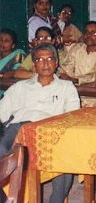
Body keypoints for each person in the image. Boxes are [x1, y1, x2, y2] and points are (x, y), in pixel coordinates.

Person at [0, 43, 80, 203]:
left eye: (50, 59)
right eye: (40, 59)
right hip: (19, 130)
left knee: (65, 154)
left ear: (56, 63)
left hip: (50, 132)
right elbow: (2, 114)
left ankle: (56, 200)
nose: (45, 63)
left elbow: (72, 117)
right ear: (34, 64)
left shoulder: (66, 87)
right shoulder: (20, 87)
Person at [59, 21, 96, 85]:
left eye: (93, 33)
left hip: (95, 91)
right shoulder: (77, 48)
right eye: (86, 32)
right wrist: (67, 77)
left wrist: (77, 80)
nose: (89, 35)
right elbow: (67, 67)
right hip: (73, 86)